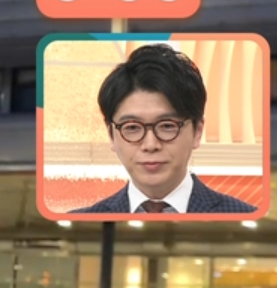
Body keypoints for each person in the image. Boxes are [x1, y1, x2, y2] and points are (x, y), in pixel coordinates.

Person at [70, 43, 257, 215]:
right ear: (111, 134)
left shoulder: (243, 215)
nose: (150, 145)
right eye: (132, 127)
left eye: (167, 126)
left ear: (197, 131)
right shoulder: (83, 220)